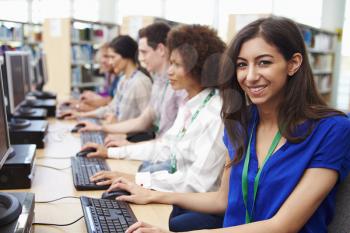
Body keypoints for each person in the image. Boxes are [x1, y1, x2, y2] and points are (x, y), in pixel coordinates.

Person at [104, 17, 350, 233]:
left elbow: (283, 225)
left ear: (293, 63)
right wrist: (153, 194)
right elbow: (224, 200)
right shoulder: (241, 122)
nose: (250, 76)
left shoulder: (332, 129)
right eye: (242, 65)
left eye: (263, 62)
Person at [77, 22, 184, 146]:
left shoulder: (177, 88)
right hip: (153, 150)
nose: (141, 58)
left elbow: (159, 137)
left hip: (159, 153)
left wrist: (129, 144)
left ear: (160, 49)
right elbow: (143, 120)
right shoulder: (158, 83)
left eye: (144, 52)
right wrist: (101, 128)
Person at [62, 35, 152, 122]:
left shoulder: (140, 82)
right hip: (118, 133)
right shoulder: (123, 80)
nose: (110, 62)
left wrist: (115, 124)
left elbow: (147, 122)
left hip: (129, 136)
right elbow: (111, 108)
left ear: (126, 56)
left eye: (113, 57)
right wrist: (80, 115)